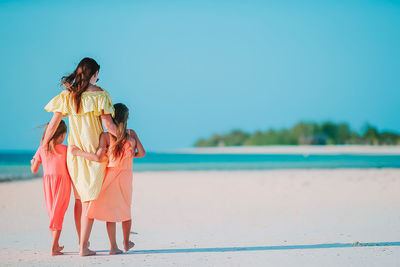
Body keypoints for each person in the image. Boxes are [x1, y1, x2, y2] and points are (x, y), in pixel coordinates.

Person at [42, 57, 117, 256]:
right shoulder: (100, 95)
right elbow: (108, 125)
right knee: (88, 202)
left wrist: (42, 147)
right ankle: (84, 247)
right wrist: (123, 137)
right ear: (93, 74)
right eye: (97, 75)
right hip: (93, 153)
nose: (97, 79)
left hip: (74, 155)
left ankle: (82, 242)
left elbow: (52, 125)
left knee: (79, 200)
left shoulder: (67, 95)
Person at [71, 103, 145, 254]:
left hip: (109, 176)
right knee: (125, 209)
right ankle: (124, 244)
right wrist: (129, 157)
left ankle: (113, 246)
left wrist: (77, 152)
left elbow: (98, 157)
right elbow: (142, 153)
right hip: (125, 176)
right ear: (127, 118)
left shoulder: (106, 136)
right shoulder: (131, 133)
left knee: (109, 212)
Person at [31, 120, 71, 256]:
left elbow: (34, 170)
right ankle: (54, 247)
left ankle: (56, 244)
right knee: (58, 213)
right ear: (61, 136)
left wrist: (33, 162)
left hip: (48, 185)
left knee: (53, 213)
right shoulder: (66, 149)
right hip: (63, 183)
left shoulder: (42, 149)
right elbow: (71, 168)